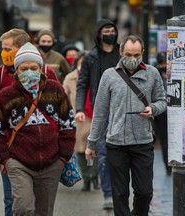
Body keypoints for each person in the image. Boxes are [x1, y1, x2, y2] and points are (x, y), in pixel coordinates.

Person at [0, 42, 76, 216]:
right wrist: (6, 160)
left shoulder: (55, 90)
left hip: (52, 163)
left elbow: (68, 124)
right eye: (23, 68)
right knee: (23, 208)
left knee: (44, 212)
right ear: (16, 70)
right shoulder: (6, 95)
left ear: (41, 69)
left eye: (34, 67)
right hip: (19, 163)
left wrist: (63, 157)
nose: (29, 72)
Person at [85, 35, 167, 216]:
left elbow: (162, 101)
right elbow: (100, 111)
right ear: (121, 52)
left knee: (144, 192)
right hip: (116, 143)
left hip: (143, 143)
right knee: (120, 193)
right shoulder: (109, 75)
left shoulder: (152, 73)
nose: (132, 59)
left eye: (137, 55)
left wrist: (152, 108)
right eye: (128, 54)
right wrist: (91, 143)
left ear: (143, 53)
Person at [75, 18, 120, 209]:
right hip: (100, 112)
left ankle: (121, 192)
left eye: (112, 30)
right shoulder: (91, 57)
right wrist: (79, 109)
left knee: (121, 155)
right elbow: (82, 84)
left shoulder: (122, 53)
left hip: (122, 111)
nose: (110, 33)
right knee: (102, 155)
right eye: (106, 30)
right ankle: (108, 194)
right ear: (99, 34)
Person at [62, 51, 100, 191]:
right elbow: (63, 97)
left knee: (93, 149)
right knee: (79, 150)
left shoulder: (97, 77)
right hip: (77, 118)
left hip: (94, 117)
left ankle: (94, 176)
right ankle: (86, 178)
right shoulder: (69, 78)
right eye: (81, 63)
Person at [153, 51, 171, 175]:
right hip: (161, 115)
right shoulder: (155, 76)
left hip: (174, 113)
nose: (164, 65)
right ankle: (168, 166)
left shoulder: (175, 75)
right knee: (165, 141)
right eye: (161, 63)